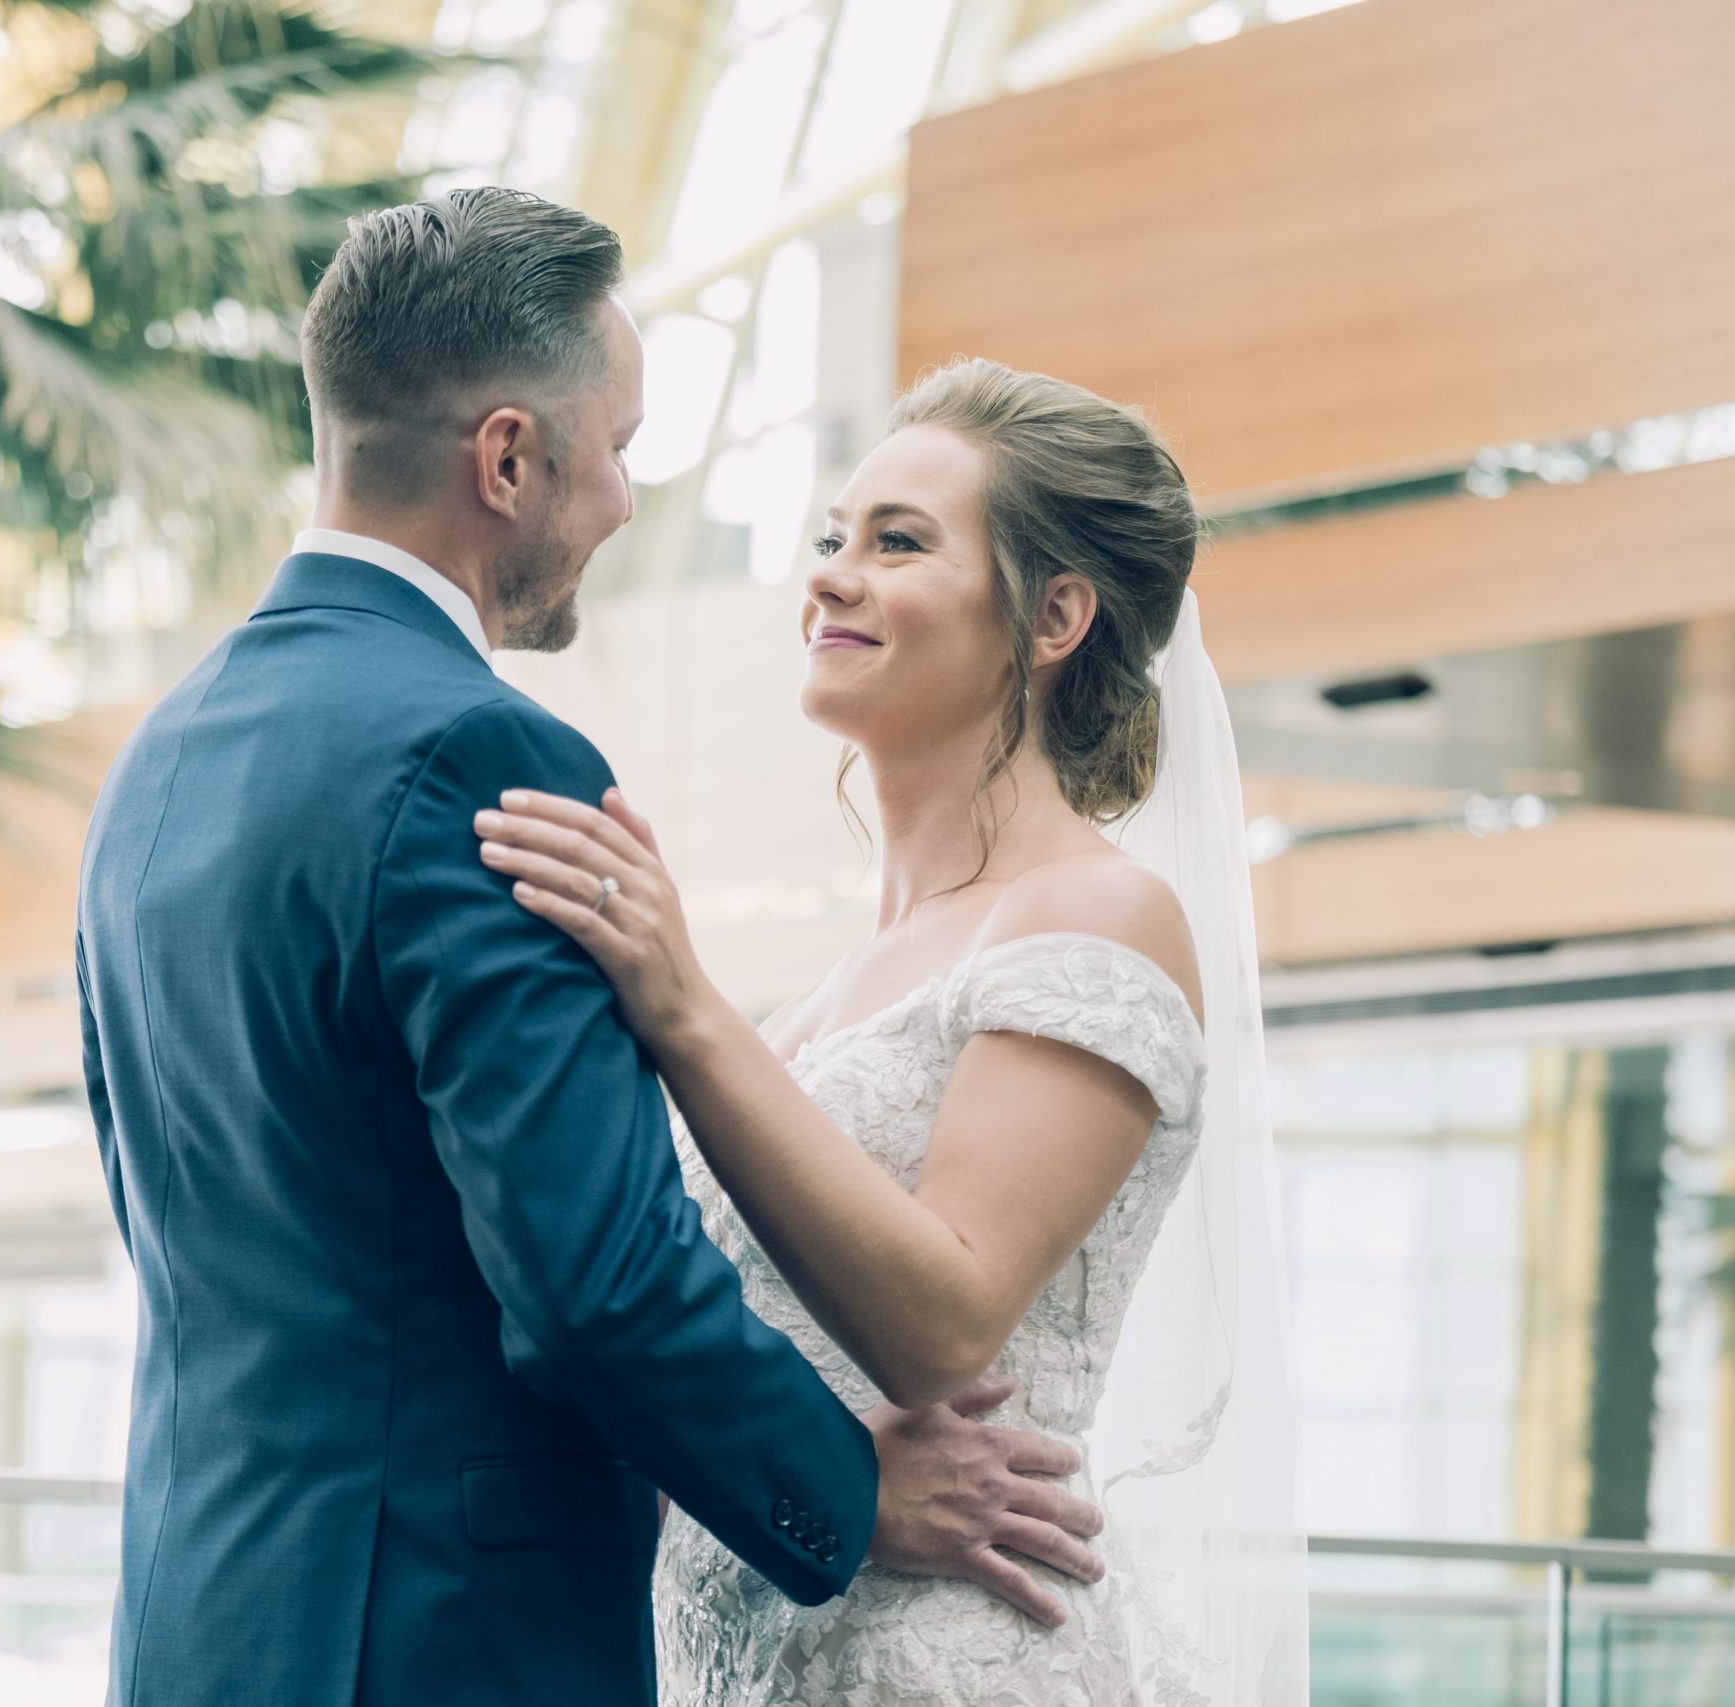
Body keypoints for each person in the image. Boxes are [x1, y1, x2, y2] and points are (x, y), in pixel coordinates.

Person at [76, 190, 1105, 1707]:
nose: (625, 499)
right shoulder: (481, 756)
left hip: (200, 1621)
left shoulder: (162, 757)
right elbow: (591, 1281)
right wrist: (855, 1488)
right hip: (435, 1638)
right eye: (617, 447)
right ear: (509, 457)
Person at [476, 358, 1309, 1703]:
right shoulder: (822, 997)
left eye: (899, 542)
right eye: (830, 541)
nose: (832, 576)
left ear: (1054, 617)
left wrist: (677, 1004)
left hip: (940, 1660)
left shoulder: (1097, 914)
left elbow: (946, 1319)